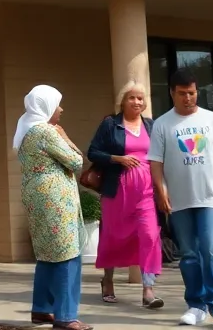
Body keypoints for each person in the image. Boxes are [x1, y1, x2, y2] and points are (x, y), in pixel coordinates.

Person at [148, 69, 213, 329]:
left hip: (210, 197)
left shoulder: (211, 119)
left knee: (209, 248)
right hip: (179, 200)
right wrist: (161, 191)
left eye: (192, 93)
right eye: (182, 94)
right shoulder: (162, 124)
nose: (188, 98)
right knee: (189, 253)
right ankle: (196, 306)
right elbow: (155, 162)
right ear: (172, 93)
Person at [14, 85, 92, 330]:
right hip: (55, 200)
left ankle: (41, 309)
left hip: (36, 198)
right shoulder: (45, 131)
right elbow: (77, 161)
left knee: (47, 254)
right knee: (67, 254)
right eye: (57, 103)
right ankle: (66, 316)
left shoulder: (25, 129)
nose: (61, 108)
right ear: (46, 106)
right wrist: (66, 137)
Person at [86, 81, 163, 309]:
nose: (137, 102)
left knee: (149, 236)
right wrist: (117, 159)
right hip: (116, 192)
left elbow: (159, 156)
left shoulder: (150, 126)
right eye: (132, 98)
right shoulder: (111, 124)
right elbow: (93, 152)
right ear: (123, 101)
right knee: (112, 237)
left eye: (140, 98)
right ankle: (108, 280)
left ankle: (148, 290)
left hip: (146, 194)